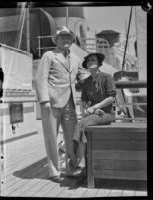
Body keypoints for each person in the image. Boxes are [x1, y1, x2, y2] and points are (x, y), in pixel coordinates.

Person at [35, 26, 86, 183]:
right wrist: (44, 101)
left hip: (70, 103)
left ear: (71, 40)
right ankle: (54, 171)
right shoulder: (49, 55)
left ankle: (71, 168)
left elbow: (81, 75)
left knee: (72, 137)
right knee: (51, 137)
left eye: (68, 37)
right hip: (52, 102)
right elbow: (40, 79)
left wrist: (93, 79)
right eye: (62, 37)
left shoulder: (76, 58)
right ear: (56, 40)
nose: (66, 39)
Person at [73, 53, 117, 174]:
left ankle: (81, 164)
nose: (90, 62)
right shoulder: (86, 81)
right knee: (81, 125)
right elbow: (84, 100)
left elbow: (111, 98)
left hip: (107, 114)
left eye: (93, 60)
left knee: (81, 124)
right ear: (87, 65)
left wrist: (95, 107)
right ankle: (82, 162)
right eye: (88, 61)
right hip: (95, 113)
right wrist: (92, 108)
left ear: (98, 64)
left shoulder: (106, 77)